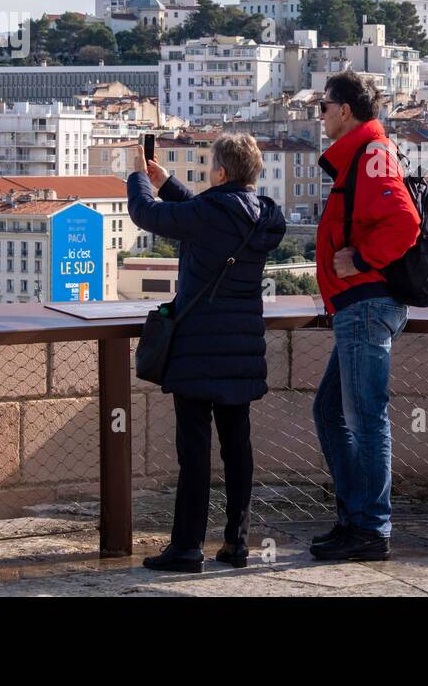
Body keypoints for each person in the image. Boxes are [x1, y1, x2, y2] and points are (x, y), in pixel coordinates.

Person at [127, 132, 286, 572]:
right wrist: (167, 182)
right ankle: (237, 542)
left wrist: (138, 176)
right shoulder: (263, 216)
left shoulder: (209, 213)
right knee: (238, 448)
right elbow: (210, 214)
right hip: (241, 348)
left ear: (220, 172)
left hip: (197, 349)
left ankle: (186, 547)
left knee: (194, 452)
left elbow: (145, 213)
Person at [310, 70, 420, 561]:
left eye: (324, 107)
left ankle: (371, 529)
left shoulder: (372, 153)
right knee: (330, 411)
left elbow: (404, 222)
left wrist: (359, 260)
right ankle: (354, 519)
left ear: (345, 110)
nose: (321, 116)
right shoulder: (361, 153)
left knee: (366, 419)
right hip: (357, 306)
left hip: (365, 304)